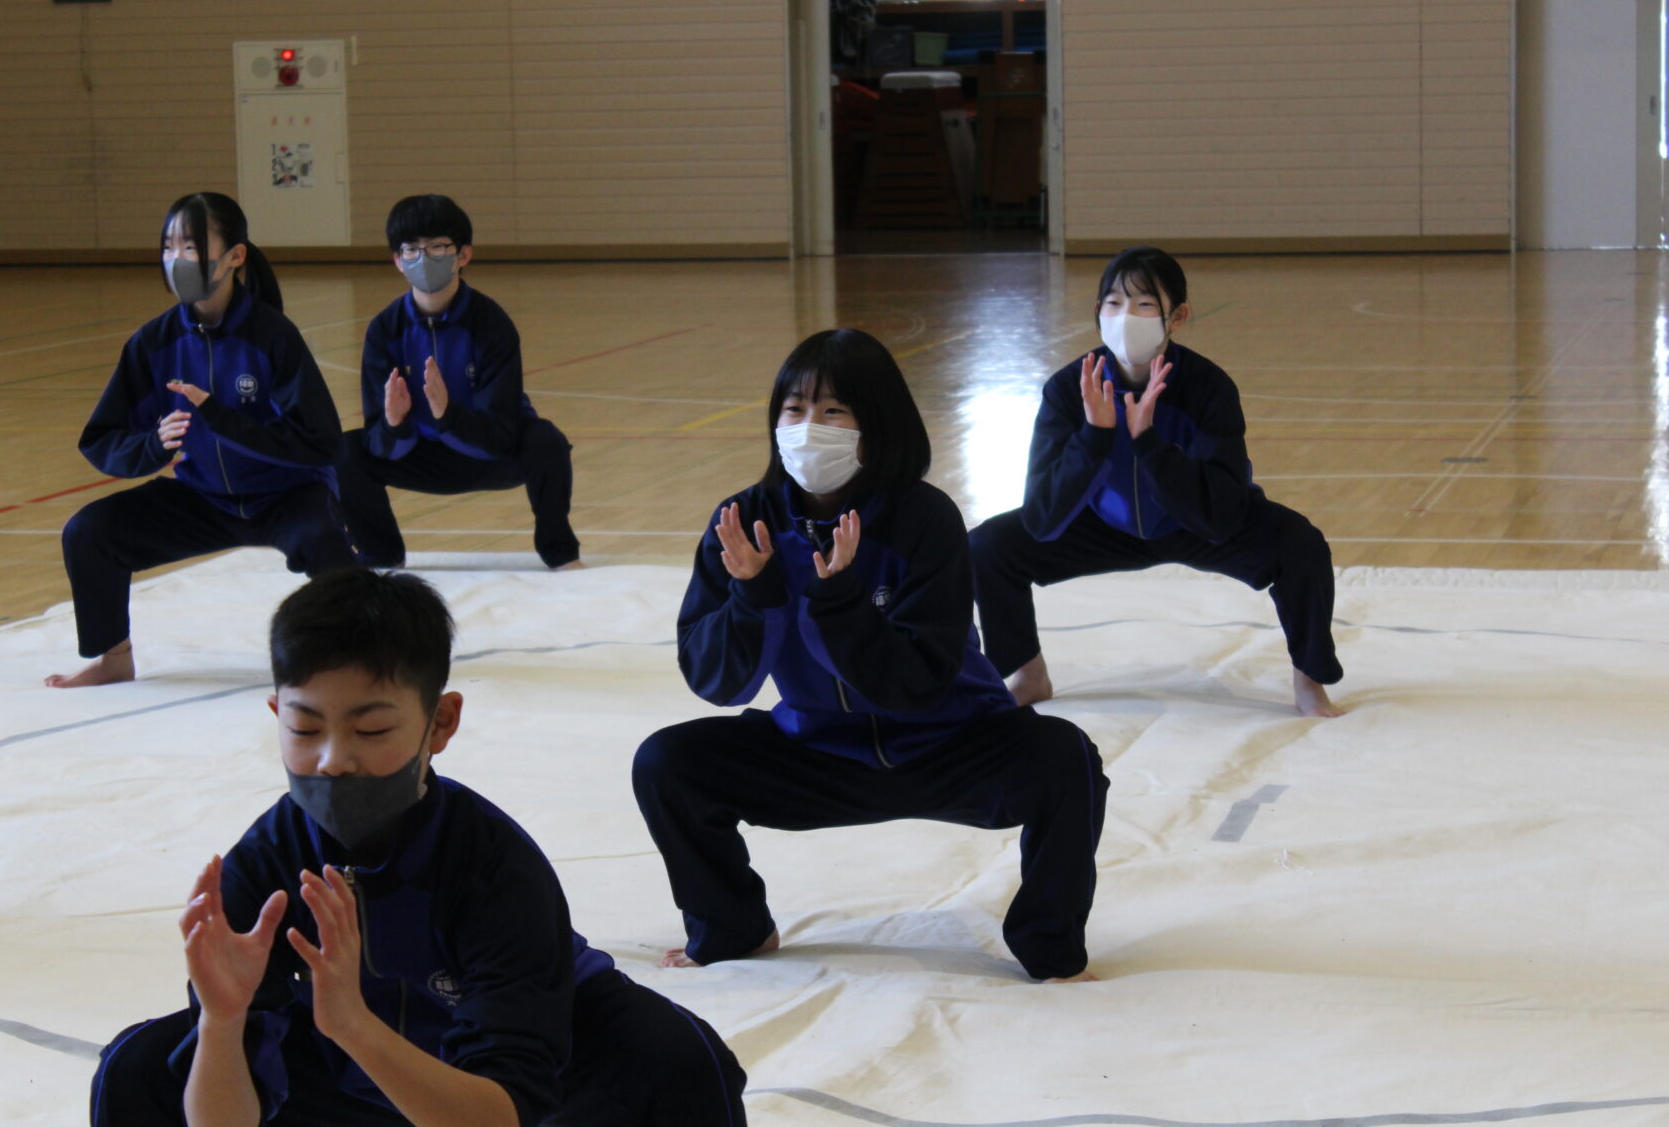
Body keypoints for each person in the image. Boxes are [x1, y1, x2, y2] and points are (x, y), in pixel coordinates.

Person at [89, 568, 747, 1126]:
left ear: (441, 723)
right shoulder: (263, 864)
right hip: (341, 1053)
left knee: (679, 1060)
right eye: (305, 727)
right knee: (138, 1066)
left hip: (528, 1063)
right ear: (276, 715)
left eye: (372, 729)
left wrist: (355, 1025)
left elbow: (500, 1112)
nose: (334, 760)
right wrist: (224, 1024)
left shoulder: (497, 869)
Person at [631, 329, 1108, 983]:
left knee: (1067, 760)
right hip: (818, 751)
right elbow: (717, 682)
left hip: (950, 744)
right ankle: (733, 921)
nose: (808, 427)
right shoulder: (746, 522)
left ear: (875, 423)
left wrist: (839, 601)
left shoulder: (925, 519)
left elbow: (918, 683)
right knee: (667, 762)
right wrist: (754, 596)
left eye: (833, 411)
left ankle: (1048, 944)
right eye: (793, 410)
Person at [969, 245, 1345, 718]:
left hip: (1194, 523)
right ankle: (1028, 673)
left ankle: (1309, 681)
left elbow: (1222, 512)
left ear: (1178, 316)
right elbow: (1042, 518)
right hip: (1102, 526)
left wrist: (1148, 443)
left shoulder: (1208, 388)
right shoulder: (1069, 389)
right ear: (1098, 313)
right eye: (1114, 303)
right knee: (987, 547)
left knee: (1300, 545)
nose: (1127, 316)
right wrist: (1095, 435)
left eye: (1145, 305)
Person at [47, 192, 353, 688]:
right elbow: (101, 438)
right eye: (168, 247)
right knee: (89, 533)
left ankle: (355, 660)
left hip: (285, 497)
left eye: (191, 246)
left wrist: (222, 419)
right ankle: (114, 657)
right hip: (201, 497)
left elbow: (323, 444)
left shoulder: (274, 336)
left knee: (328, 548)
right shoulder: (153, 342)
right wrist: (153, 446)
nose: (176, 259)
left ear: (235, 256)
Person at [333, 195, 582, 571]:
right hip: (417, 454)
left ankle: (560, 552)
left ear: (463, 255)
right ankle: (379, 554)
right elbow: (378, 444)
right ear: (397, 261)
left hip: (487, 453)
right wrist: (394, 424)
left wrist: (447, 415)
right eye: (412, 250)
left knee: (546, 441)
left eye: (437, 247)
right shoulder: (385, 329)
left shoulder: (491, 324)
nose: (424, 258)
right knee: (344, 453)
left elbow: (501, 431)